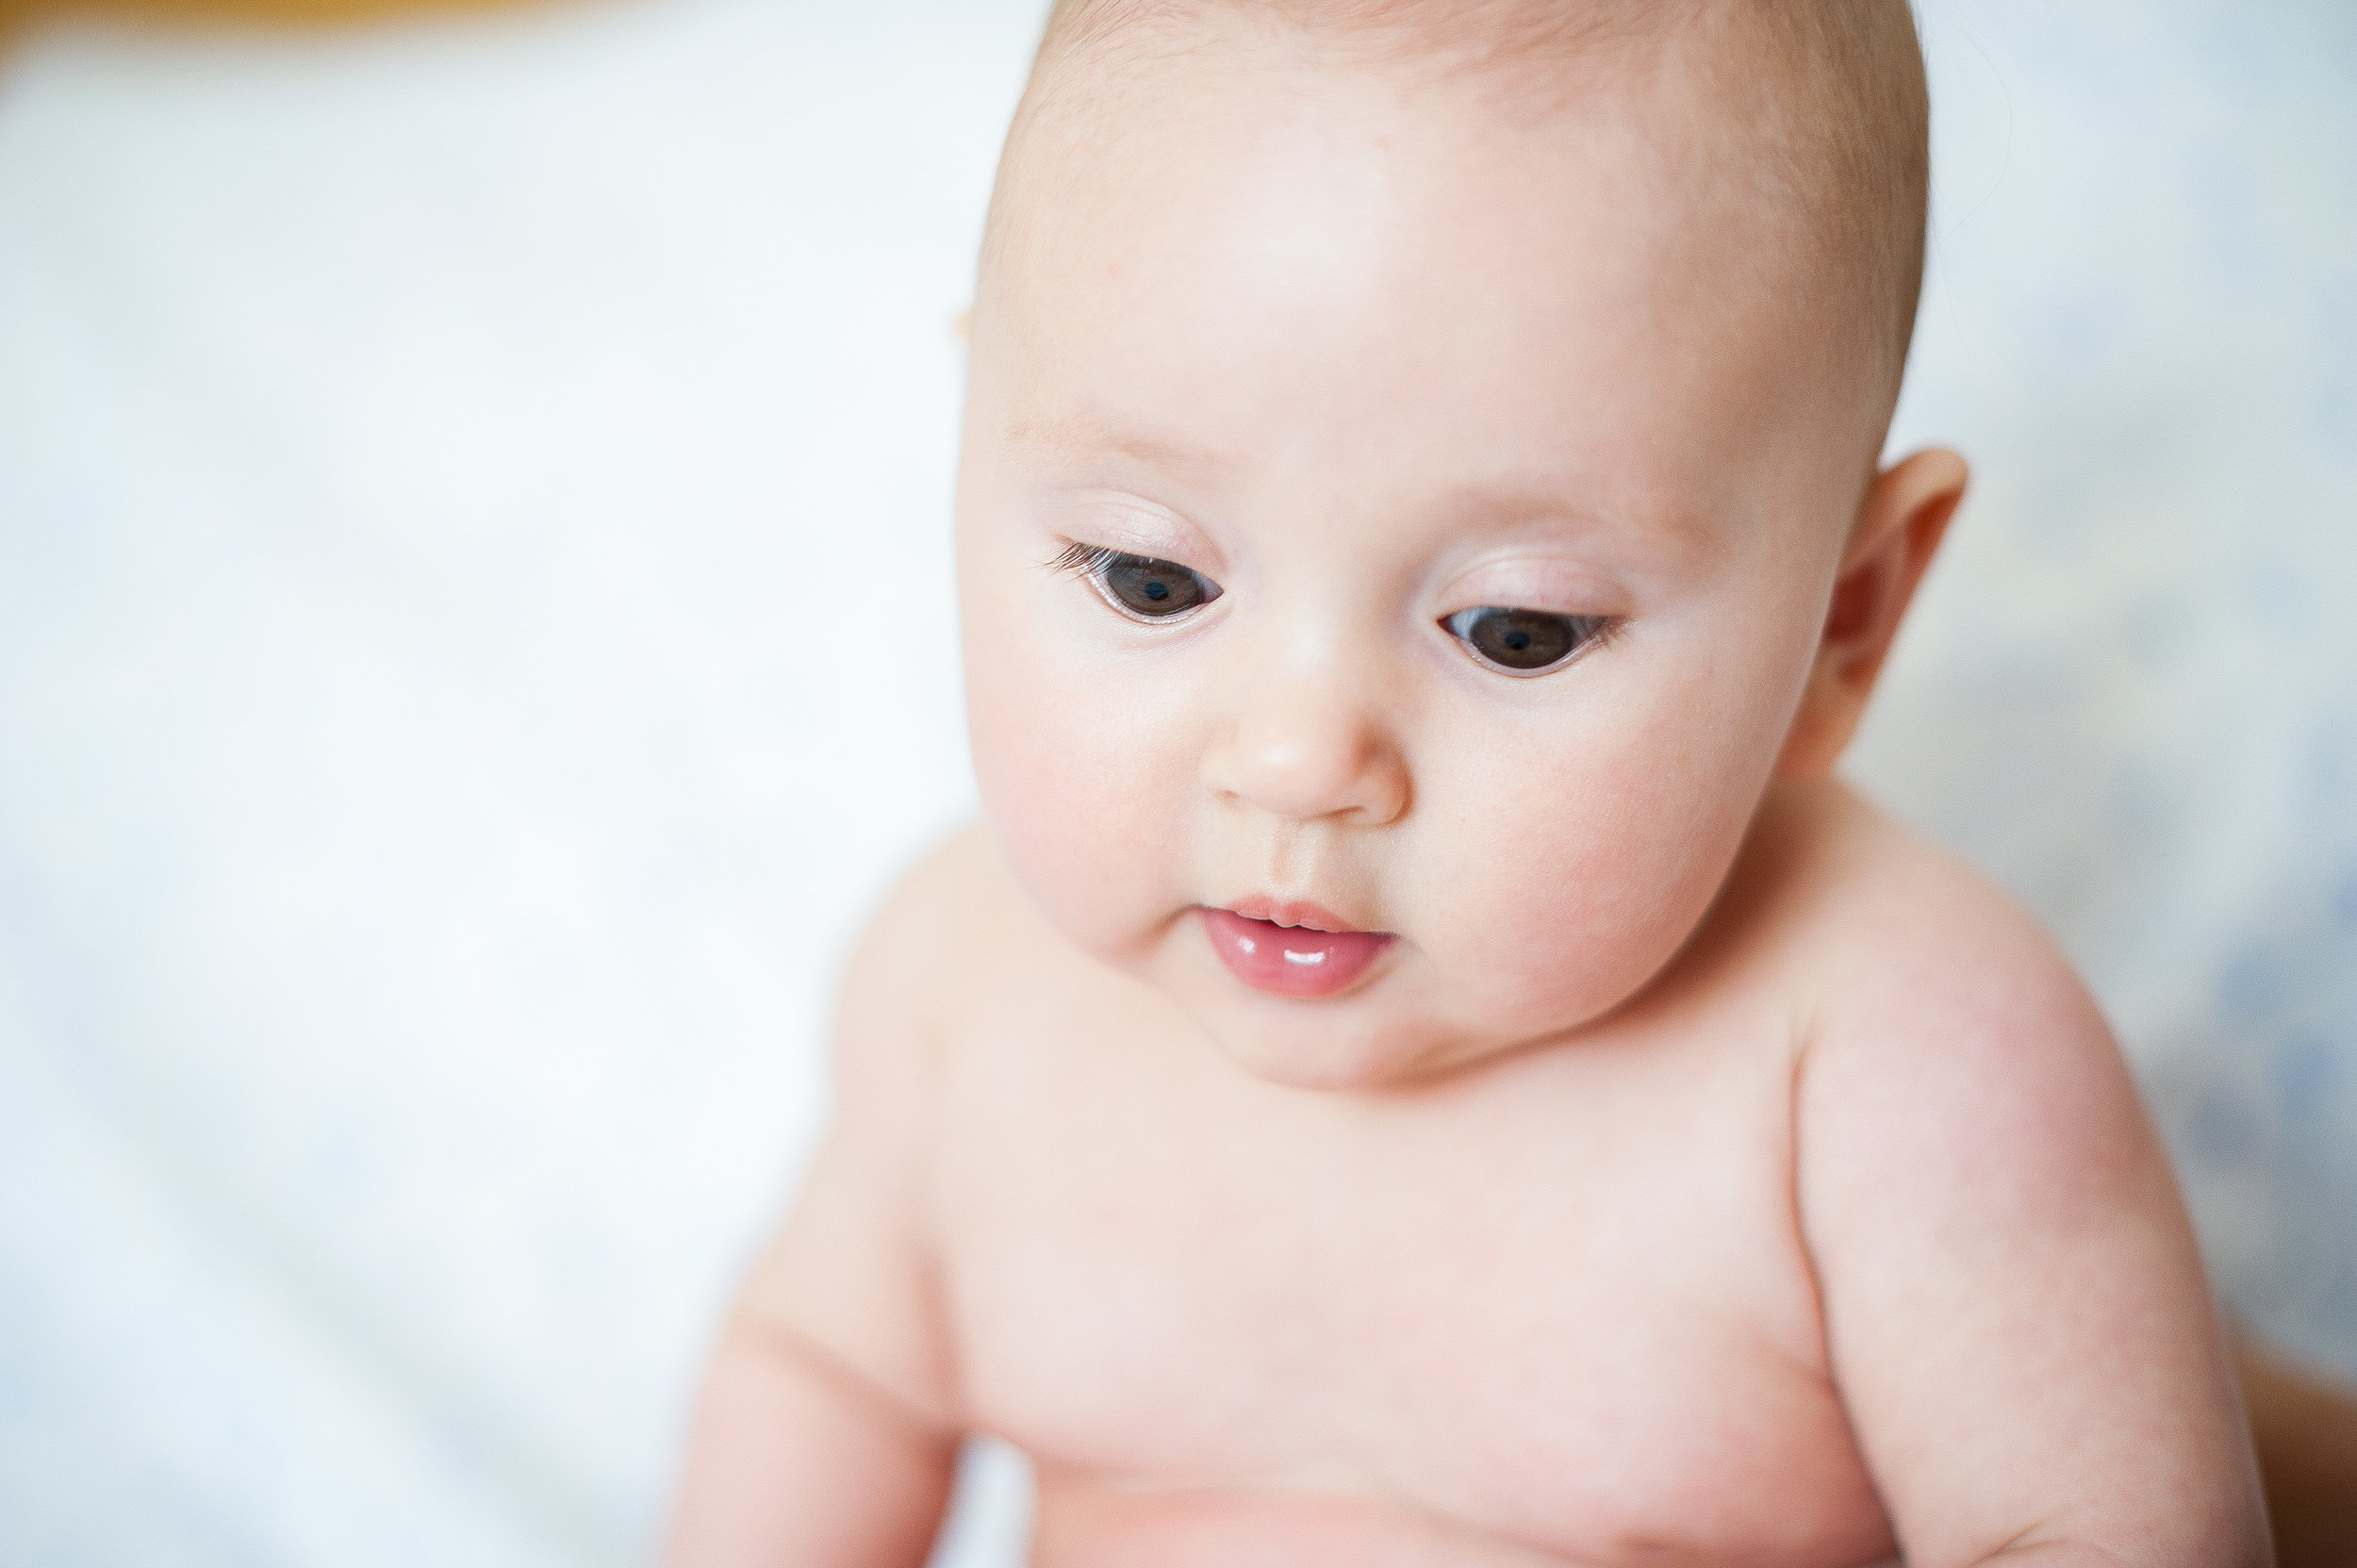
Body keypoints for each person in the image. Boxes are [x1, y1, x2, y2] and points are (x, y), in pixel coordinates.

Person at [663, 2, 2274, 1562]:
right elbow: (827, 1373)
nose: (1297, 761)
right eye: (1152, 581)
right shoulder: (960, 996)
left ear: (1844, 623)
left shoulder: (1887, 1064)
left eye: (1514, 629)